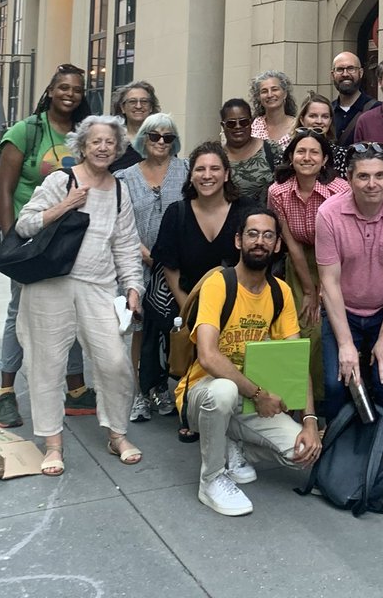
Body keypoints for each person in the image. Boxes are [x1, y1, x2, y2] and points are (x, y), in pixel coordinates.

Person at [15, 115, 144, 476]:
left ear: (118, 149)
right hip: (50, 284)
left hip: (98, 287)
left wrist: (134, 286)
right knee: (46, 365)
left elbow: (127, 247)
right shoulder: (62, 180)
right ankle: (52, 443)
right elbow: (25, 224)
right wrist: (65, 205)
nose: (103, 148)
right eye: (96, 142)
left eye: (109, 142)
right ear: (83, 146)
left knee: (115, 362)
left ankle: (116, 434)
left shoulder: (119, 190)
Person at [174, 205, 321, 517]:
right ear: (239, 241)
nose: (260, 241)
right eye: (253, 234)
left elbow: (296, 362)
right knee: (224, 391)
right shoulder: (219, 284)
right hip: (205, 393)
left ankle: (232, 443)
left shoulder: (280, 292)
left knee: (302, 452)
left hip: (252, 401)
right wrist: (259, 394)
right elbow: (208, 355)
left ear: (277, 245)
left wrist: (309, 421)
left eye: (268, 236)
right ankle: (211, 479)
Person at [0, 64, 94, 429]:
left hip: (70, 240)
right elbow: (4, 188)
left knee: (73, 309)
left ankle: (77, 389)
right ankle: (6, 391)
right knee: (19, 312)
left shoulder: (85, 134)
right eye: (63, 87)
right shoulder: (27, 131)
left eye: (77, 89)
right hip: (31, 237)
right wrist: (12, 240)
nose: (70, 94)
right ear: (50, 90)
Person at [316, 143, 383, 445]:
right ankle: (337, 455)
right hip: (343, 310)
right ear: (349, 179)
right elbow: (330, 282)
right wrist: (346, 344)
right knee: (337, 384)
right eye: (363, 176)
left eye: (380, 175)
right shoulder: (329, 214)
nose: (372, 184)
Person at [267, 128, 351, 403]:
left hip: (337, 261)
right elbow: (290, 243)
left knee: (323, 330)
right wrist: (309, 290)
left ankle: (323, 403)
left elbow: (343, 243)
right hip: (300, 263)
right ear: (290, 157)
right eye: (300, 151)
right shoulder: (277, 191)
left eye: (314, 152)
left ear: (325, 158)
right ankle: (294, 400)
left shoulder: (339, 191)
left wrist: (324, 289)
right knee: (300, 328)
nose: (307, 157)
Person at [119, 112, 189, 423]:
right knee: (141, 330)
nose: (161, 142)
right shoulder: (125, 177)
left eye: (168, 137)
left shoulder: (186, 171)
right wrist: (146, 254)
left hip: (177, 265)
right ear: (143, 139)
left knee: (172, 330)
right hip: (138, 265)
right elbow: (118, 223)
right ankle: (141, 393)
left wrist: (169, 256)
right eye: (154, 136)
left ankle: (165, 388)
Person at [152, 142, 242, 316]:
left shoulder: (246, 212)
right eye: (200, 169)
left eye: (215, 168)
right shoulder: (176, 214)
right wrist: (189, 312)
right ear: (191, 176)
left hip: (237, 311)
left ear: (226, 175)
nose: (207, 175)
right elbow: (170, 269)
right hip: (186, 309)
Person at [220, 98, 282, 204]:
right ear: (223, 125)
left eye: (243, 122)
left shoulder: (271, 150)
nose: (238, 127)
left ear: (251, 122)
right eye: (231, 123)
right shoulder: (216, 156)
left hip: (266, 218)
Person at [110, 81, 161, 172]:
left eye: (144, 101)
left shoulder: (163, 139)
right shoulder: (112, 140)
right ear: (122, 108)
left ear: (151, 107)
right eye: (132, 101)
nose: (138, 106)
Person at [330, 51, 379, 144]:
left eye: (351, 69)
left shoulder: (377, 110)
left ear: (361, 73)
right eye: (340, 69)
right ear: (333, 75)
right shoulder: (327, 112)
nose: (345, 74)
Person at [296, 92, 348, 177]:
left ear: (330, 121)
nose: (319, 122)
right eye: (313, 116)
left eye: (325, 117)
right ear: (302, 120)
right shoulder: (289, 151)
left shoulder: (342, 155)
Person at [249, 71, 298, 149]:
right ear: (258, 97)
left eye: (274, 89)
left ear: (285, 94)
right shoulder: (252, 127)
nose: (270, 95)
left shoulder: (297, 127)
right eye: (264, 91)